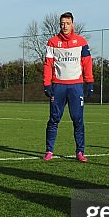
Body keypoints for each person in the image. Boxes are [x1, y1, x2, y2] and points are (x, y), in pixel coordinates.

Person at [42, 12, 94, 161]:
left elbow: (87, 63)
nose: (64, 26)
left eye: (67, 23)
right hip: (58, 86)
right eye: (62, 23)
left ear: (73, 24)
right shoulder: (52, 42)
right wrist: (47, 83)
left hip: (76, 87)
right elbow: (48, 64)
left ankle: (80, 152)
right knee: (54, 119)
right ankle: (49, 151)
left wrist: (89, 82)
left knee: (78, 119)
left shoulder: (81, 42)